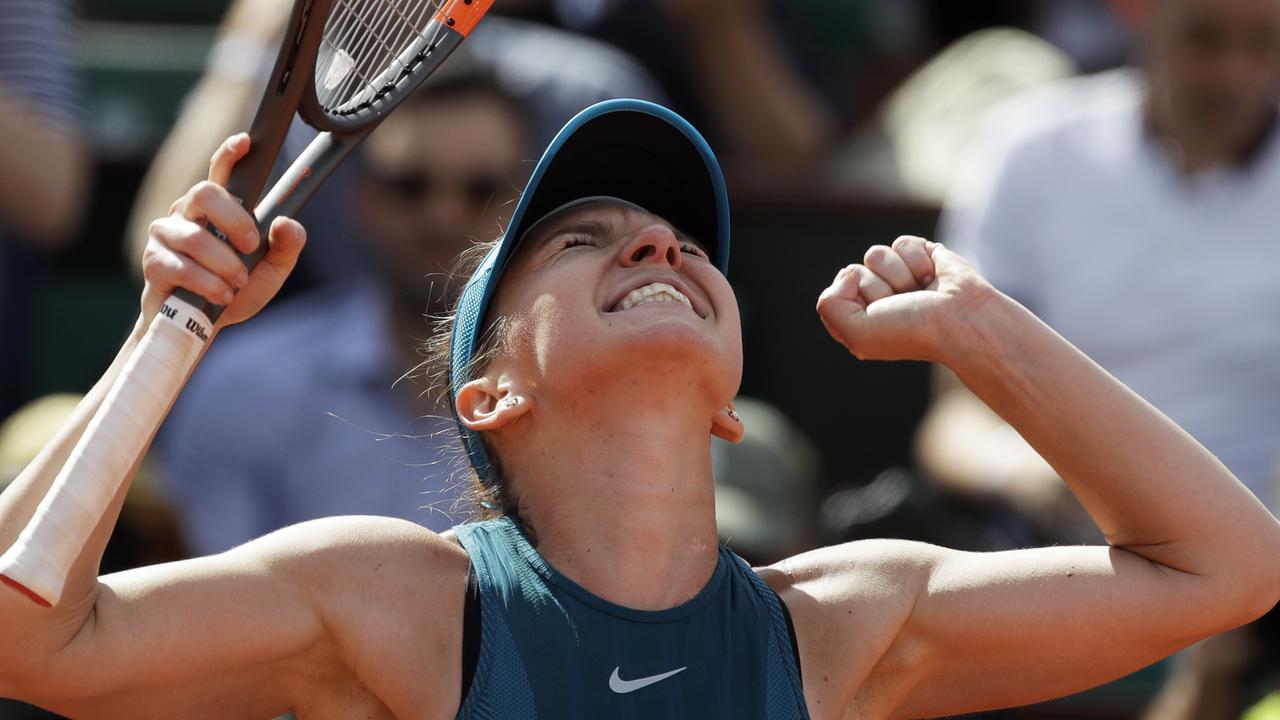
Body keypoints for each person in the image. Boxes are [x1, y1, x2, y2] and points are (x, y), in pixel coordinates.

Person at [1, 99, 1278, 719]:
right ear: (488, 390)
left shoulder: (843, 625)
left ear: (731, 404)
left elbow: (1227, 568)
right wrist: (172, 328)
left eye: (682, 244)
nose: (657, 249)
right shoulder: (392, 599)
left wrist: (977, 325)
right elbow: (27, 637)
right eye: (585, 240)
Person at [915, 0, 1280, 713]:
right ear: (1143, 18)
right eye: (1205, 38)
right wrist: (1028, 473)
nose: (1234, 72)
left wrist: (1248, 567)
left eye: (1265, 42)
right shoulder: (1033, 147)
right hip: (1053, 559)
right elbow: (953, 423)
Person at [157, 65, 529, 554]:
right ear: (365, 202)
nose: (444, 214)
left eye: (482, 190)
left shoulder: (585, 392)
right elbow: (213, 616)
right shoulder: (244, 385)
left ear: (523, 207)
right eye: (410, 186)